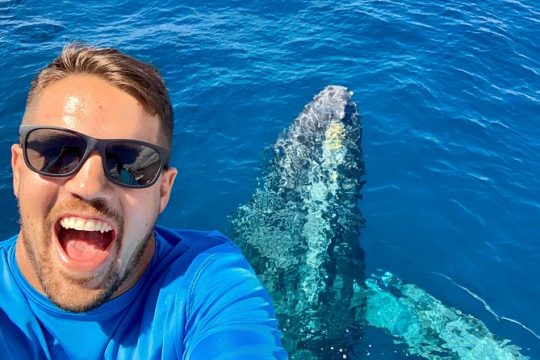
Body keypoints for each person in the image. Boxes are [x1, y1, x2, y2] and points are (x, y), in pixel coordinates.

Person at [0, 43, 287, 359]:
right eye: (58, 153)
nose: (89, 185)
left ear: (164, 191)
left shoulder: (206, 284)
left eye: (130, 164)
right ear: (18, 171)